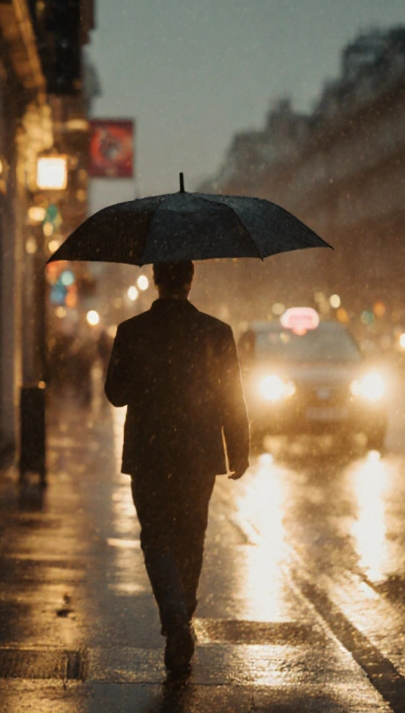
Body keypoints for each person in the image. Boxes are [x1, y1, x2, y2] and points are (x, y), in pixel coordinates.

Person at [103, 260, 250, 677]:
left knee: (156, 538)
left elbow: (116, 394)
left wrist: (147, 376)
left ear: (156, 281)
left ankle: (175, 618)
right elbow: (231, 397)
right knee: (191, 536)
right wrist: (239, 448)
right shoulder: (216, 333)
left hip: (150, 453)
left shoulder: (132, 331)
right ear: (190, 281)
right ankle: (182, 614)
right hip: (198, 453)